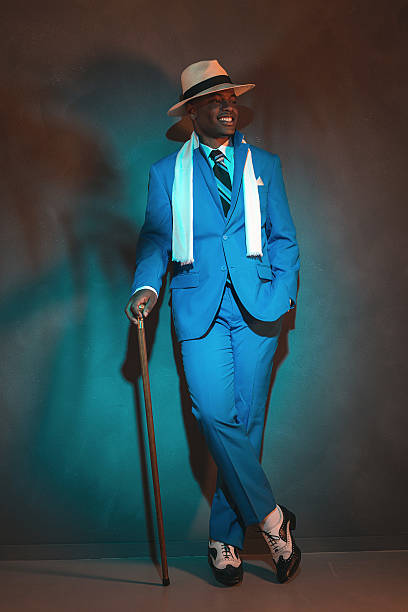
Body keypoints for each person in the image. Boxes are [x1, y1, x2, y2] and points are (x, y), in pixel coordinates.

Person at [125, 59, 301, 585]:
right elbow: (156, 239)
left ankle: (225, 539)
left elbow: (284, 238)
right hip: (198, 307)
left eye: (231, 98)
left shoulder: (264, 165)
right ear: (193, 111)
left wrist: (282, 292)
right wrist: (145, 286)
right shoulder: (166, 173)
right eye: (215, 100)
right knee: (214, 414)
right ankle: (272, 521)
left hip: (258, 309)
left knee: (246, 424)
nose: (228, 106)